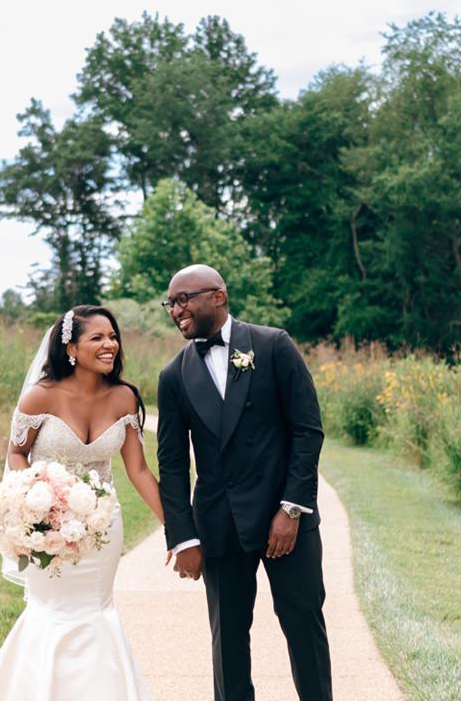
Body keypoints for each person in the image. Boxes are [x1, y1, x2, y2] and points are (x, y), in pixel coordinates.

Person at [0, 304, 165, 701]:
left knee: (96, 612)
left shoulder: (124, 398)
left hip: (102, 529)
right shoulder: (40, 397)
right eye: (98, 338)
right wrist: (35, 501)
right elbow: (17, 454)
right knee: (51, 613)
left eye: (112, 336)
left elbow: (138, 470)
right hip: (46, 527)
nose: (110, 345)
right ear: (71, 348)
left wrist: (176, 528)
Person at [157, 264, 332, 701]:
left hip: (285, 521)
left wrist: (291, 509)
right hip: (220, 526)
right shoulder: (173, 375)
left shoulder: (274, 347)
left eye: (184, 299)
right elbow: (173, 464)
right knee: (228, 641)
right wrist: (183, 539)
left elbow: (307, 432)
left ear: (218, 296)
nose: (176, 309)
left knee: (303, 625)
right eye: (170, 303)